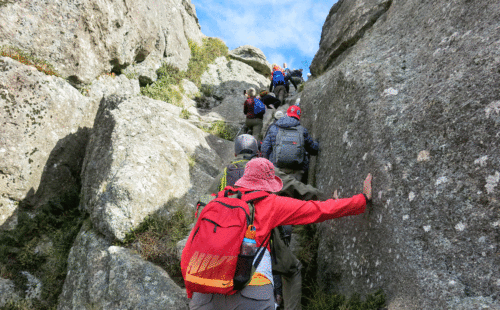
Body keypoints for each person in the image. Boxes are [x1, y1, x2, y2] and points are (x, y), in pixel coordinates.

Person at [189, 157, 373, 309]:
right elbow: (318, 210)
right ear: (268, 183)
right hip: (249, 292)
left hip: (204, 292)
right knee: (290, 271)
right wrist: (362, 200)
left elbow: (191, 247)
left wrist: (192, 291)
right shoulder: (269, 203)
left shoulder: (214, 201)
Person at [261, 105, 319, 182]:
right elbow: (313, 149)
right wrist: (317, 142)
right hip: (297, 170)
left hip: (277, 169)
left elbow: (265, 149)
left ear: (286, 114)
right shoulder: (302, 130)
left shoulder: (273, 128)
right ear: (299, 117)